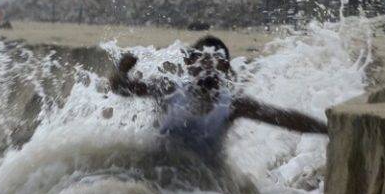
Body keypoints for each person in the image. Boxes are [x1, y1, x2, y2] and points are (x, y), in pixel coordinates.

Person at [109, 35, 327, 153]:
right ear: (188, 63)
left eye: (216, 63)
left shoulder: (233, 105)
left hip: (203, 184)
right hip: (159, 173)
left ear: (226, 70)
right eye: (201, 59)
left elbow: (284, 118)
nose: (208, 66)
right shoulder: (168, 89)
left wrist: (329, 129)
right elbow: (120, 88)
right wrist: (121, 72)